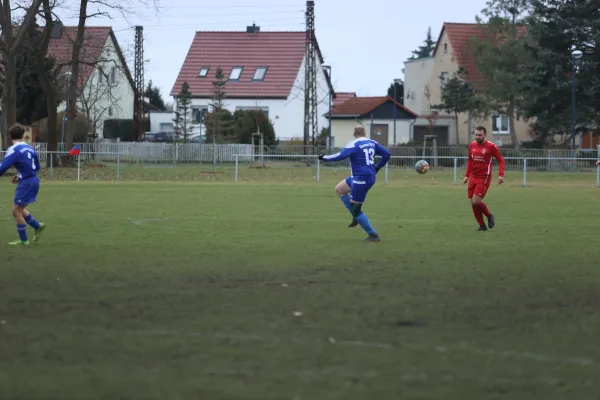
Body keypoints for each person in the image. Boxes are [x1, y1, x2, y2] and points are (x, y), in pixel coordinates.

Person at [318, 125, 390, 242]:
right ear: (365, 132)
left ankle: (373, 235)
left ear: (354, 133)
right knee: (340, 189)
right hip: (361, 177)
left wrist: (324, 157)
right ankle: (355, 215)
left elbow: (340, 156)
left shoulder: (353, 144)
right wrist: (376, 168)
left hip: (361, 179)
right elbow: (387, 154)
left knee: (356, 210)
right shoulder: (372, 142)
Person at [0, 123, 45, 245]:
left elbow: (2, 168)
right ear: (23, 135)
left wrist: (22, 177)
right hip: (33, 180)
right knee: (18, 209)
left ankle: (24, 240)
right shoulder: (29, 147)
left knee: (16, 210)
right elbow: (36, 166)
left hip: (27, 182)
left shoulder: (13, 150)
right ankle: (37, 226)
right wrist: (20, 176)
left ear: (10, 136)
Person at [463, 126, 505, 231]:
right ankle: (482, 225)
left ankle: (489, 216)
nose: (477, 137)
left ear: (485, 135)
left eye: (479, 135)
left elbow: (501, 160)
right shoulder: (472, 145)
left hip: (484, 177)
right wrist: (467, 175)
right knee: (473, 201)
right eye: (476, 135)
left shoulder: (491, 147)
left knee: (476, 201)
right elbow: (469, 160)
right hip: (473, 176)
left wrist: (501, 175)